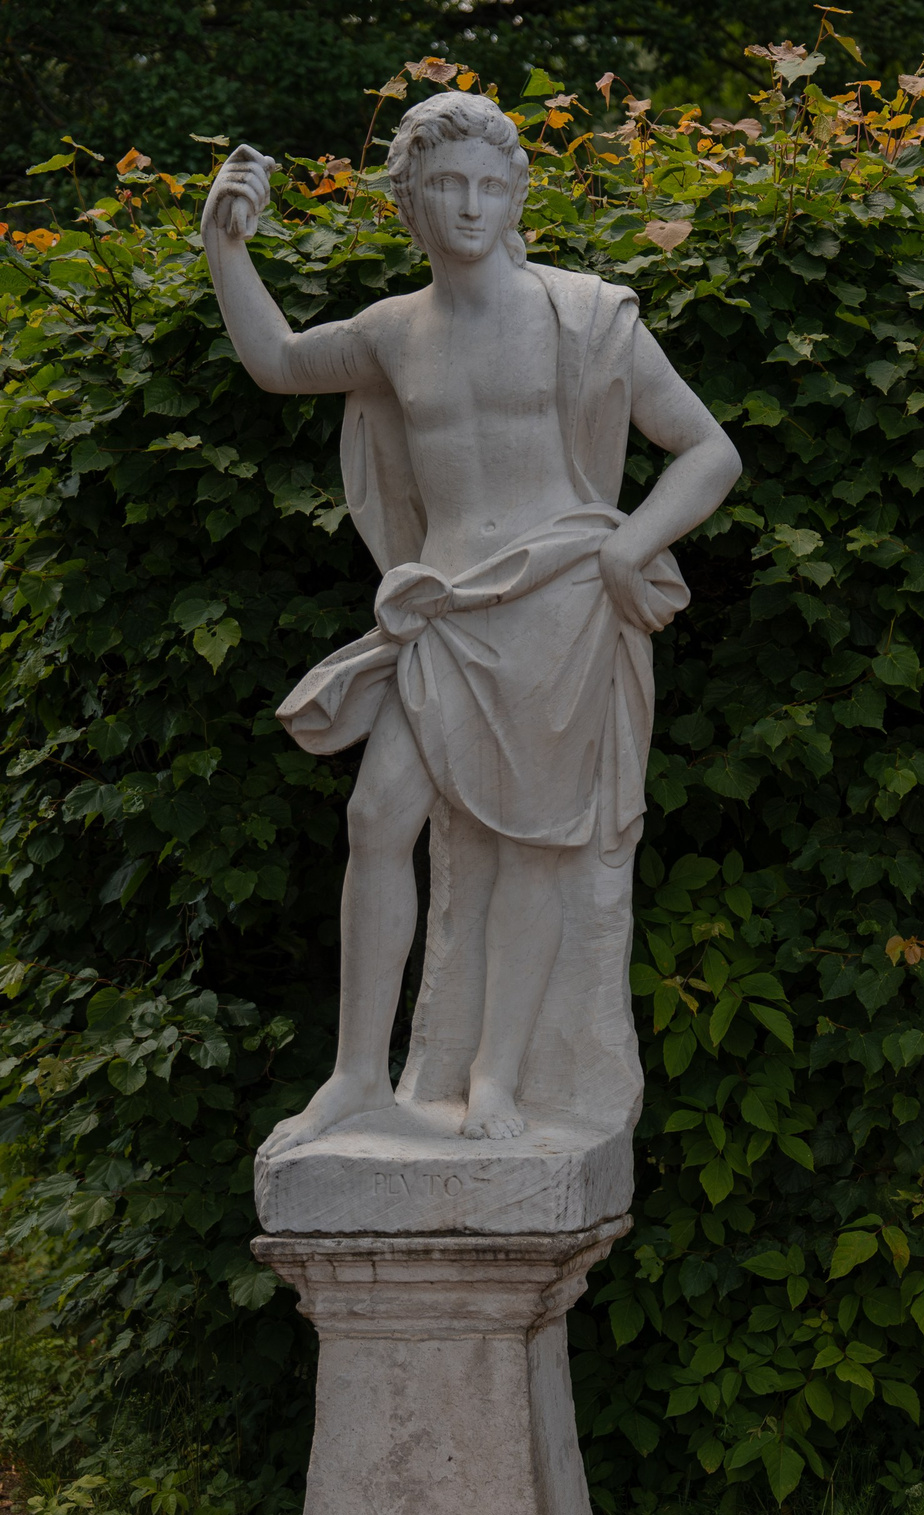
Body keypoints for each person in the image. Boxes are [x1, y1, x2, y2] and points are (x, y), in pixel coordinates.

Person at [199, 93, 742, 1154]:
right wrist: (225, 246)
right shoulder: (397, 332)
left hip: (557, 603)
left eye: (491, 186)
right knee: (375, 817)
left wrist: (632, 545)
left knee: (530, 844)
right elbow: (278, 361)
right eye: (446, 185)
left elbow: (708, 450)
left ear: (517, 197)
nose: (470, 206)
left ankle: (497, 1080)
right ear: (410, 200)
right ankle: (359, 1075)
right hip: (442, 613)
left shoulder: (584, 314)